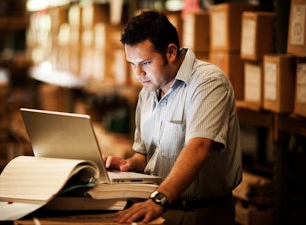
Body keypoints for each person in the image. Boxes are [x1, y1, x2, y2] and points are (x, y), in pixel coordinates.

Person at [103, 10, 242, 225]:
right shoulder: (147, 92)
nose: (138, 73)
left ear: (170, 52)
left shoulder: (208, 82)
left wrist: (159, 199)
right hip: (157, 208)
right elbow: (146, 155)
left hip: (200, 214)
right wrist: (129, 166)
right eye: (132, 64)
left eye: (146, 62)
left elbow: (199, 147)